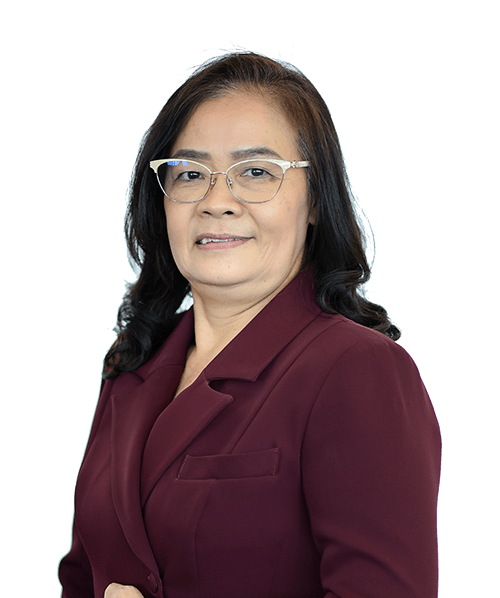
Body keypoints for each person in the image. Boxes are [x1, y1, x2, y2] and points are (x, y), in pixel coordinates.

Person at [58, 51, 441, 598]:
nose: (217, 201)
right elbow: (81, 576)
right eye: (190, 173)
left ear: (315, 200)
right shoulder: (133, 368)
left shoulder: (356, 371)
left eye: (256, 172)